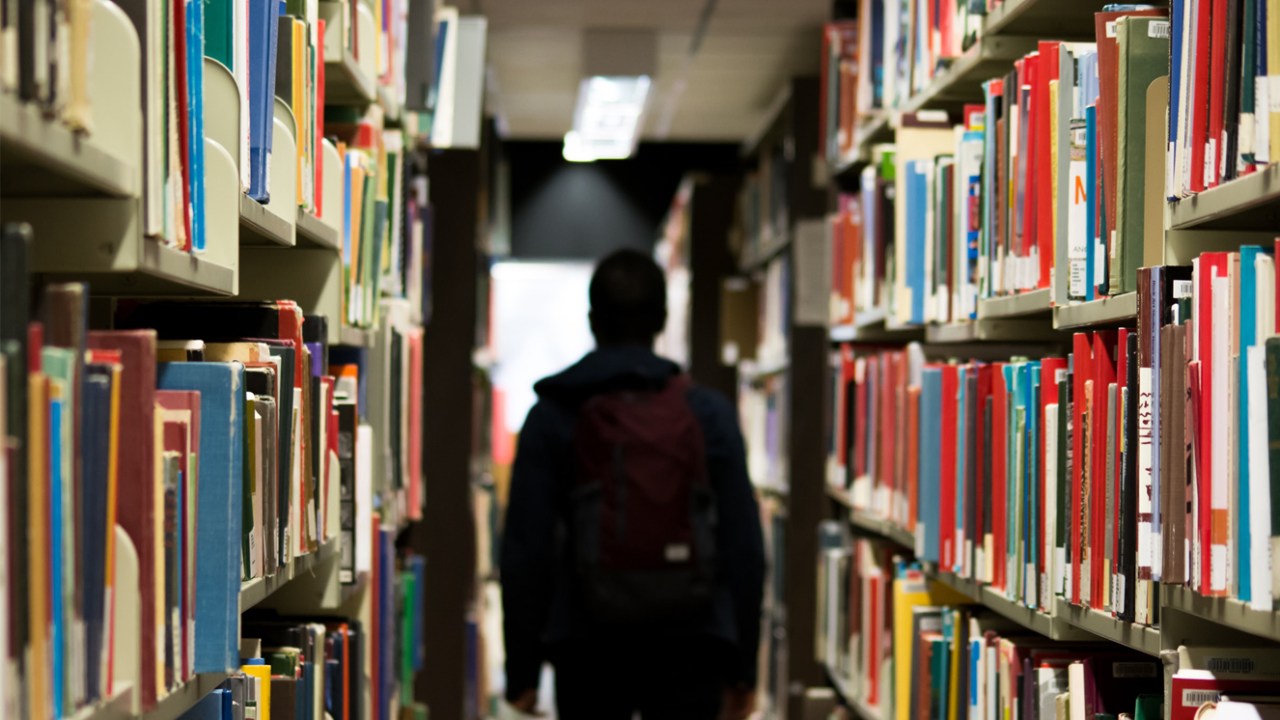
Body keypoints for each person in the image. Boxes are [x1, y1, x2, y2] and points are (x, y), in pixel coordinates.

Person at [500, 248, 766, 720]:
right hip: (692, 642)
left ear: (592, 319)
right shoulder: (709, 414)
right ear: (662, 319)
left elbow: (526, 549)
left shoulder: (552, 415)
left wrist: (521, 670)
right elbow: (744, 545)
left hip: (586, 646)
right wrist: (743, 667)